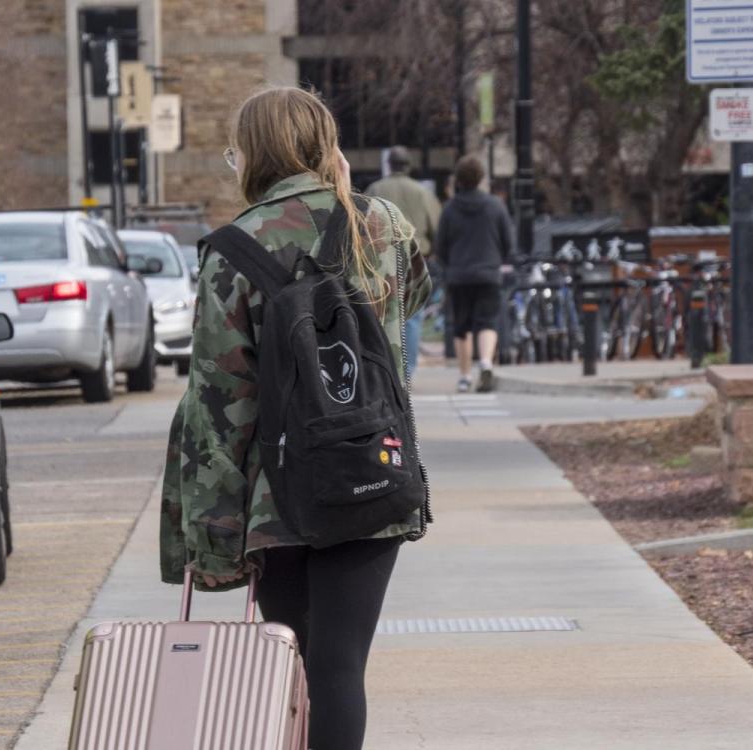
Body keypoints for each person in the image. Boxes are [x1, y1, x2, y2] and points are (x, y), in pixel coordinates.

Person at [160, 86, 431, 750]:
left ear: (252, 153)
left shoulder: (231, 249)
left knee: (302, 665)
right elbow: (417, 296)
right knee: (342, 667)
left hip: (277, 498)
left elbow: (219, 403)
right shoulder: (383, 224)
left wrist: (211, 535)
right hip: (374, 469)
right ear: (322, 144)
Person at [435, 154, 514, 393]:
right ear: (481, 178)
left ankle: (465, 375)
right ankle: (487, 363)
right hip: (489, 273)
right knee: (487, 322)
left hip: (459, 275)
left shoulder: (449, 209)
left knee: (462, 327)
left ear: (458, 179)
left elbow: (441, 247)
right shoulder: (495, 206)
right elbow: (508, 243)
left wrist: (448, 268)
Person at [366, 146, 440, 380]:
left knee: (383, 312)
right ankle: (407, 371)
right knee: (413, 314)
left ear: (389, 164)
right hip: (416, 256)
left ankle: (388, 368)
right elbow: (436, 225)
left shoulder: (375, 189)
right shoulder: (421, 192)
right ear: (408, 165)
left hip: (379, 257)